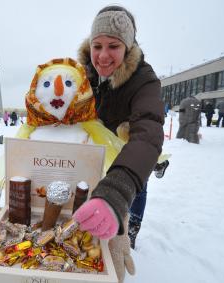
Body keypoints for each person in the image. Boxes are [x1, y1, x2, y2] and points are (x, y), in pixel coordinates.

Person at [73, 6, 164, 281]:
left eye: (113, 46)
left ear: (128, 47)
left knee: (135, 185)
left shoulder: (144, 79)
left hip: (129, 147)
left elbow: (148, 130)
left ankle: (131, 225)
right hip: (98, 145)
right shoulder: (83, 72)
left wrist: (119, 190)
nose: (102, 55)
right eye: (97, 45)